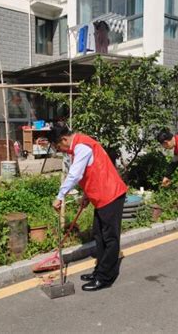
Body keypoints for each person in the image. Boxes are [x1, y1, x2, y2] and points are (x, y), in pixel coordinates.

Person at [48, 125, 127, 292]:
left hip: (111, 195)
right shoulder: (79, 145)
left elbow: (75, 174)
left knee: (110, 238)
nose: (61, 151)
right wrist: (86, 195)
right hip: (101, 196)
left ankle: (105, 278)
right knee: (99, 235)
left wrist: (60, 196)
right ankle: (99, 271)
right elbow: (90, 172)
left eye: (59, 147)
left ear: (64, 139)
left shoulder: (82, 146)